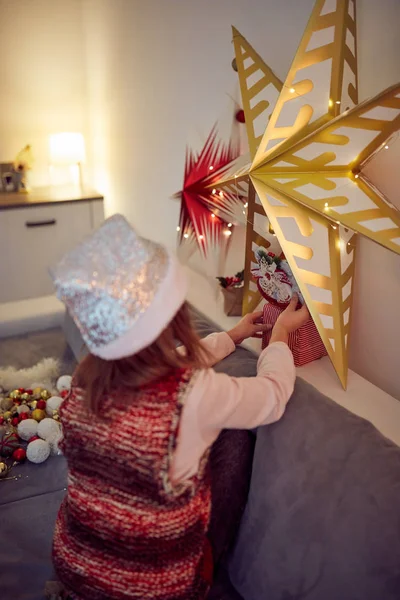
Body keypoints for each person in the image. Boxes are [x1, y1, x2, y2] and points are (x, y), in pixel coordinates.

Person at [49, 214, 309, 600]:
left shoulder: (88, 374)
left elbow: (169, 363)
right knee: (235, 438)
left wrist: (231, 337)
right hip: (155, 589)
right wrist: (281, 338)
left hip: (74, 567)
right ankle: (206, 564)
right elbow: (271, 397)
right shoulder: (192, 396)